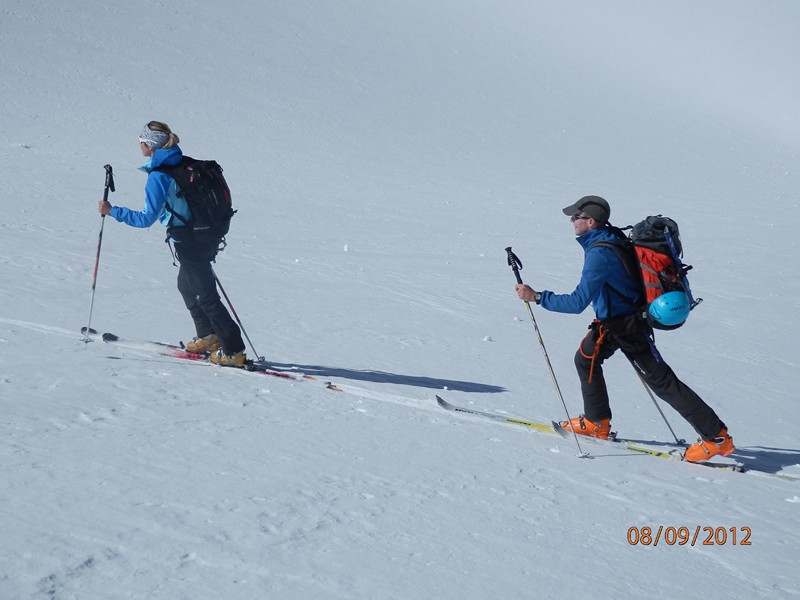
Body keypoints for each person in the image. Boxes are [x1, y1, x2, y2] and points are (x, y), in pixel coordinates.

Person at [514, 195, 734, 463]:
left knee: (662, 381)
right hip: (615, 321)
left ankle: (717, 437)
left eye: (576, 217)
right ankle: (597, 422)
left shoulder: (599, 254)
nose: (571, 221)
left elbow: (576, 303)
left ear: (591, 221)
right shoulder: (610, 237)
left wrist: (536, 297)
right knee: (585, 358)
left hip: (626, 326)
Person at [98, 121, 247, 367]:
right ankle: (208, 337)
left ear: (148, 145)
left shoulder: (159, 176)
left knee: (206, 295)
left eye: (141, 142)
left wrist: (112, 211)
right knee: (187, 286)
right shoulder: (183, 162)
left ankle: (234, 351)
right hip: (208, 234)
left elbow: (146, 218)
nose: (140, 146)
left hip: (190, 239)